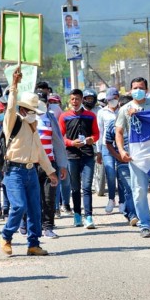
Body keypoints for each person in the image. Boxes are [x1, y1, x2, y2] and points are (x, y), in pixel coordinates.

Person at [0, 67, 58, 256]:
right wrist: (14, 85)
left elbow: (40, 152)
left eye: (35, 111)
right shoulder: (12, 121)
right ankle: (6, 236)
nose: (33, 113)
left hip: (31, 171)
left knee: (35, 209)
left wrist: (50, 171)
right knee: (19, 206)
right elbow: (10, 106)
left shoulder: (33, 128)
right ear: (23, 108)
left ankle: (33, 244)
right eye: (30, 110)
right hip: (14, 171)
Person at [116, 77, 150, 238]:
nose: (137, 90)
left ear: (146, 90)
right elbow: (118, 131)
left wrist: (141, 115)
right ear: (130, 90)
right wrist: (121, 151)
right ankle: (144, 224)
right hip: (136, 156)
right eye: (134, 87)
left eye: (140, 87)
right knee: (139, 191)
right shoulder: (125, 109)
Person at [59, 89, 100, 229]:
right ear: (69, 101)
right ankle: (77, 215)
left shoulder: (90, 116)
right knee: (75, 188)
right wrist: (71, 143)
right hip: (71, 156)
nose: (75, 102)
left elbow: (97, 134)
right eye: (72, 99)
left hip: (88, 155)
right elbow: (60, 137)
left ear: (82, 100)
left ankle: (88, 216)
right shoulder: (64, 117)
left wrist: (91, 139)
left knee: (87, 187)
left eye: (77, 99)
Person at [35, 95, 68, 239]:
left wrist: (62, 165)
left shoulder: (51, 118)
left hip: (50, 164)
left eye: (45, 102)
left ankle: (48, 227)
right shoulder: (26, 118)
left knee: (49, 197)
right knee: (34, 198)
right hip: (32, 165)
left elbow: (58, 142)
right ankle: (32, 225)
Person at [105, 95, 138, 226]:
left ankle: (127, 210)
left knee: (137, 189)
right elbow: (108, 143)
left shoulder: (139, 121)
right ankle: (132, 215)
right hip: (122, 162)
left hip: (138, 161)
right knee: (129, 188)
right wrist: (117, 155)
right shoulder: (114, 124)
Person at [97, 87, 122, 214]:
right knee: (110, 173)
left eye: (114, 99)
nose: (112, 101)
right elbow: (99, 132)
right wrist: (98, 151)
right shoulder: (102, 113)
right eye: (110, 99)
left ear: (118, 98)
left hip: (121, 146)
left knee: (121, 174)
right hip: (106, 146)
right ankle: (111, 199)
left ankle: (122, 201)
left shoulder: (123, 111)